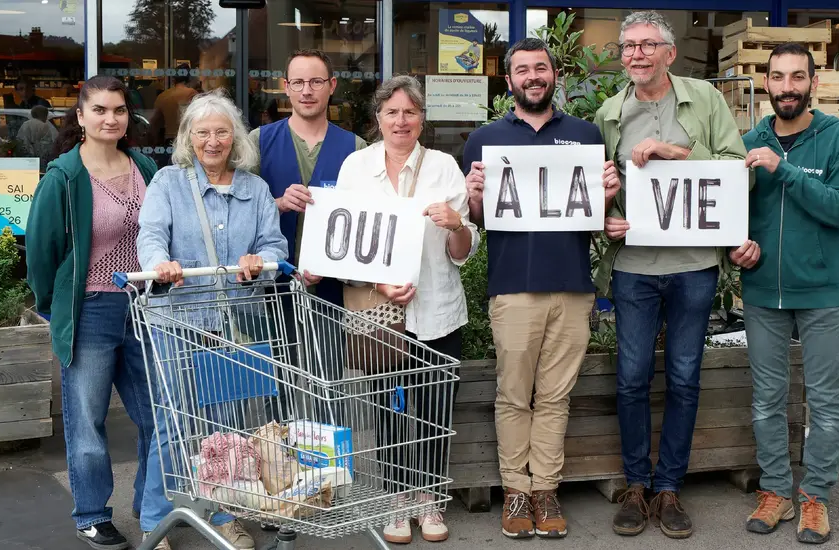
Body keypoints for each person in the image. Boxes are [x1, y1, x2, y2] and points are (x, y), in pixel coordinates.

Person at [592, 10, 754, 540]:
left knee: (685, 378)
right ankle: (636, 486)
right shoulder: (608, 113)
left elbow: (735, 167)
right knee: (632, 379)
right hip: (635, 267)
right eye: (627, 47)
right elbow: (598, 191)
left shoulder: (704, 99)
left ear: (668, 53)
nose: (634, 54)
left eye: (645, 45)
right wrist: (608, 215)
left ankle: (669, 488)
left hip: (693, 266)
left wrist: (675, 151)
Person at [464, 38, 619, 540]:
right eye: (522, 70)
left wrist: (608, 196)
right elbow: (479, 223)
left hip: (573, 288)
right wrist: (473, 198)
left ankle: (545, 489)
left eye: (541, 68)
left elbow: (594, 222)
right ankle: (515, 491)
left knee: (556, 397)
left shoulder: (585, 134)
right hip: (513, 288)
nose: (533, 76)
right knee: (513, 396)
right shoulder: (485, 139)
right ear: (508, 81)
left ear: (555, 76)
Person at [325, 74, 479, 544]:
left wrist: (457, 223)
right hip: (379, 314)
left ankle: (428, 499)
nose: (401, 120)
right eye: (391, 112)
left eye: (410, 112)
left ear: (422, 119)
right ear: (378, 119)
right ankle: (396, 499)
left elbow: (462, 251)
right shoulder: (356, 167)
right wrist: (381, 284)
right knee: (387, 411)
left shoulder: (445, 168)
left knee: (435, 410)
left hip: (436, 310)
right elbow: (344, 247)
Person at [136, 89, 289, 550]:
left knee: (227, 422)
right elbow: (151, 235)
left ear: (235, 138)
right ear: (188, 137)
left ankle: (221, 511)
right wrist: (161, 264)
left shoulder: (255, 190)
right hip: (177, 319)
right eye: (202, 132)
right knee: (174, 420)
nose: (213, 140)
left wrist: (258, 260)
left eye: (222, 131)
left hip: (232, 322)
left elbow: (275, 247)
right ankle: (156, 518)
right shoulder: (168, 183)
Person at [26, 75, 159, 550]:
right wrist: (57, 309)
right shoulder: (63, 177)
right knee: (88, 420)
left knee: (158, 416)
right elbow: (41, 256)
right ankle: (92, 514)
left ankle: (153, 511)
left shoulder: (144, 166)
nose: (110, 118)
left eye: (119, 110)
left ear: (129, 117)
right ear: (80, 116)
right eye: (99, 110)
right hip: (93, 308)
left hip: (145, 309)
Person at [740, 42, 839, 545]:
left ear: (814, 82)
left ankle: (815, 498)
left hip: (821, 293)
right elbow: (734, 214)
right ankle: (775, 492)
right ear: (765, 82)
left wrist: (783, 170)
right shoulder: (749, 140)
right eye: (777, 77)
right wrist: (736, 248)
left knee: (825, 403)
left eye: (796, 77)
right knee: (767, 401)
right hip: (763, 290)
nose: (786, 87)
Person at [248, 49, 367, 452]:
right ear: (285, 87)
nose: (307, 90)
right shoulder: (259, 142)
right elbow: (235, 206)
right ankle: (278, 477)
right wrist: (275, 203)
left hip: (330, 290)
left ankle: (325, 479)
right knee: (274, 391)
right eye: (297, 82)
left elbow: (368, 220)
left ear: (332, 86)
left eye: (316, 81)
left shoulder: (357, 147)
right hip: (272, 290)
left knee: (328, 387)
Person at [17, 105, 59, 171]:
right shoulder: (45, 126)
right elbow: (48, 145)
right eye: (46, 115)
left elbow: (20, 141)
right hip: (40, 160)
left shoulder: (25, 124)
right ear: (43, 115)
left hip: (26, 160)